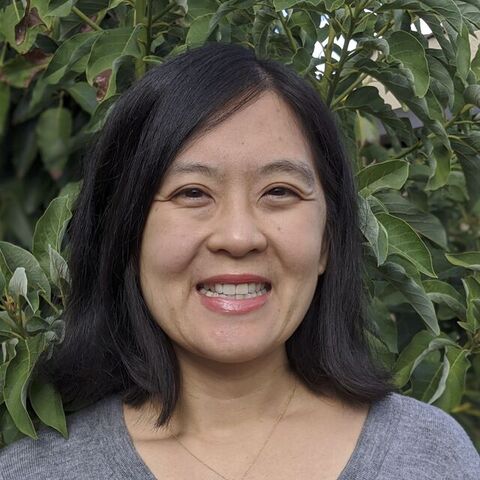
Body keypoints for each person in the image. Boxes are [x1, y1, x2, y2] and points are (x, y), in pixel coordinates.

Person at [0, 42, 478, 480]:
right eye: (192, 193)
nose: (238, 237)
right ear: (128, 234)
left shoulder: (428, 457)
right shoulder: (39, 472)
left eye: (279, 192)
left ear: (327, 240)